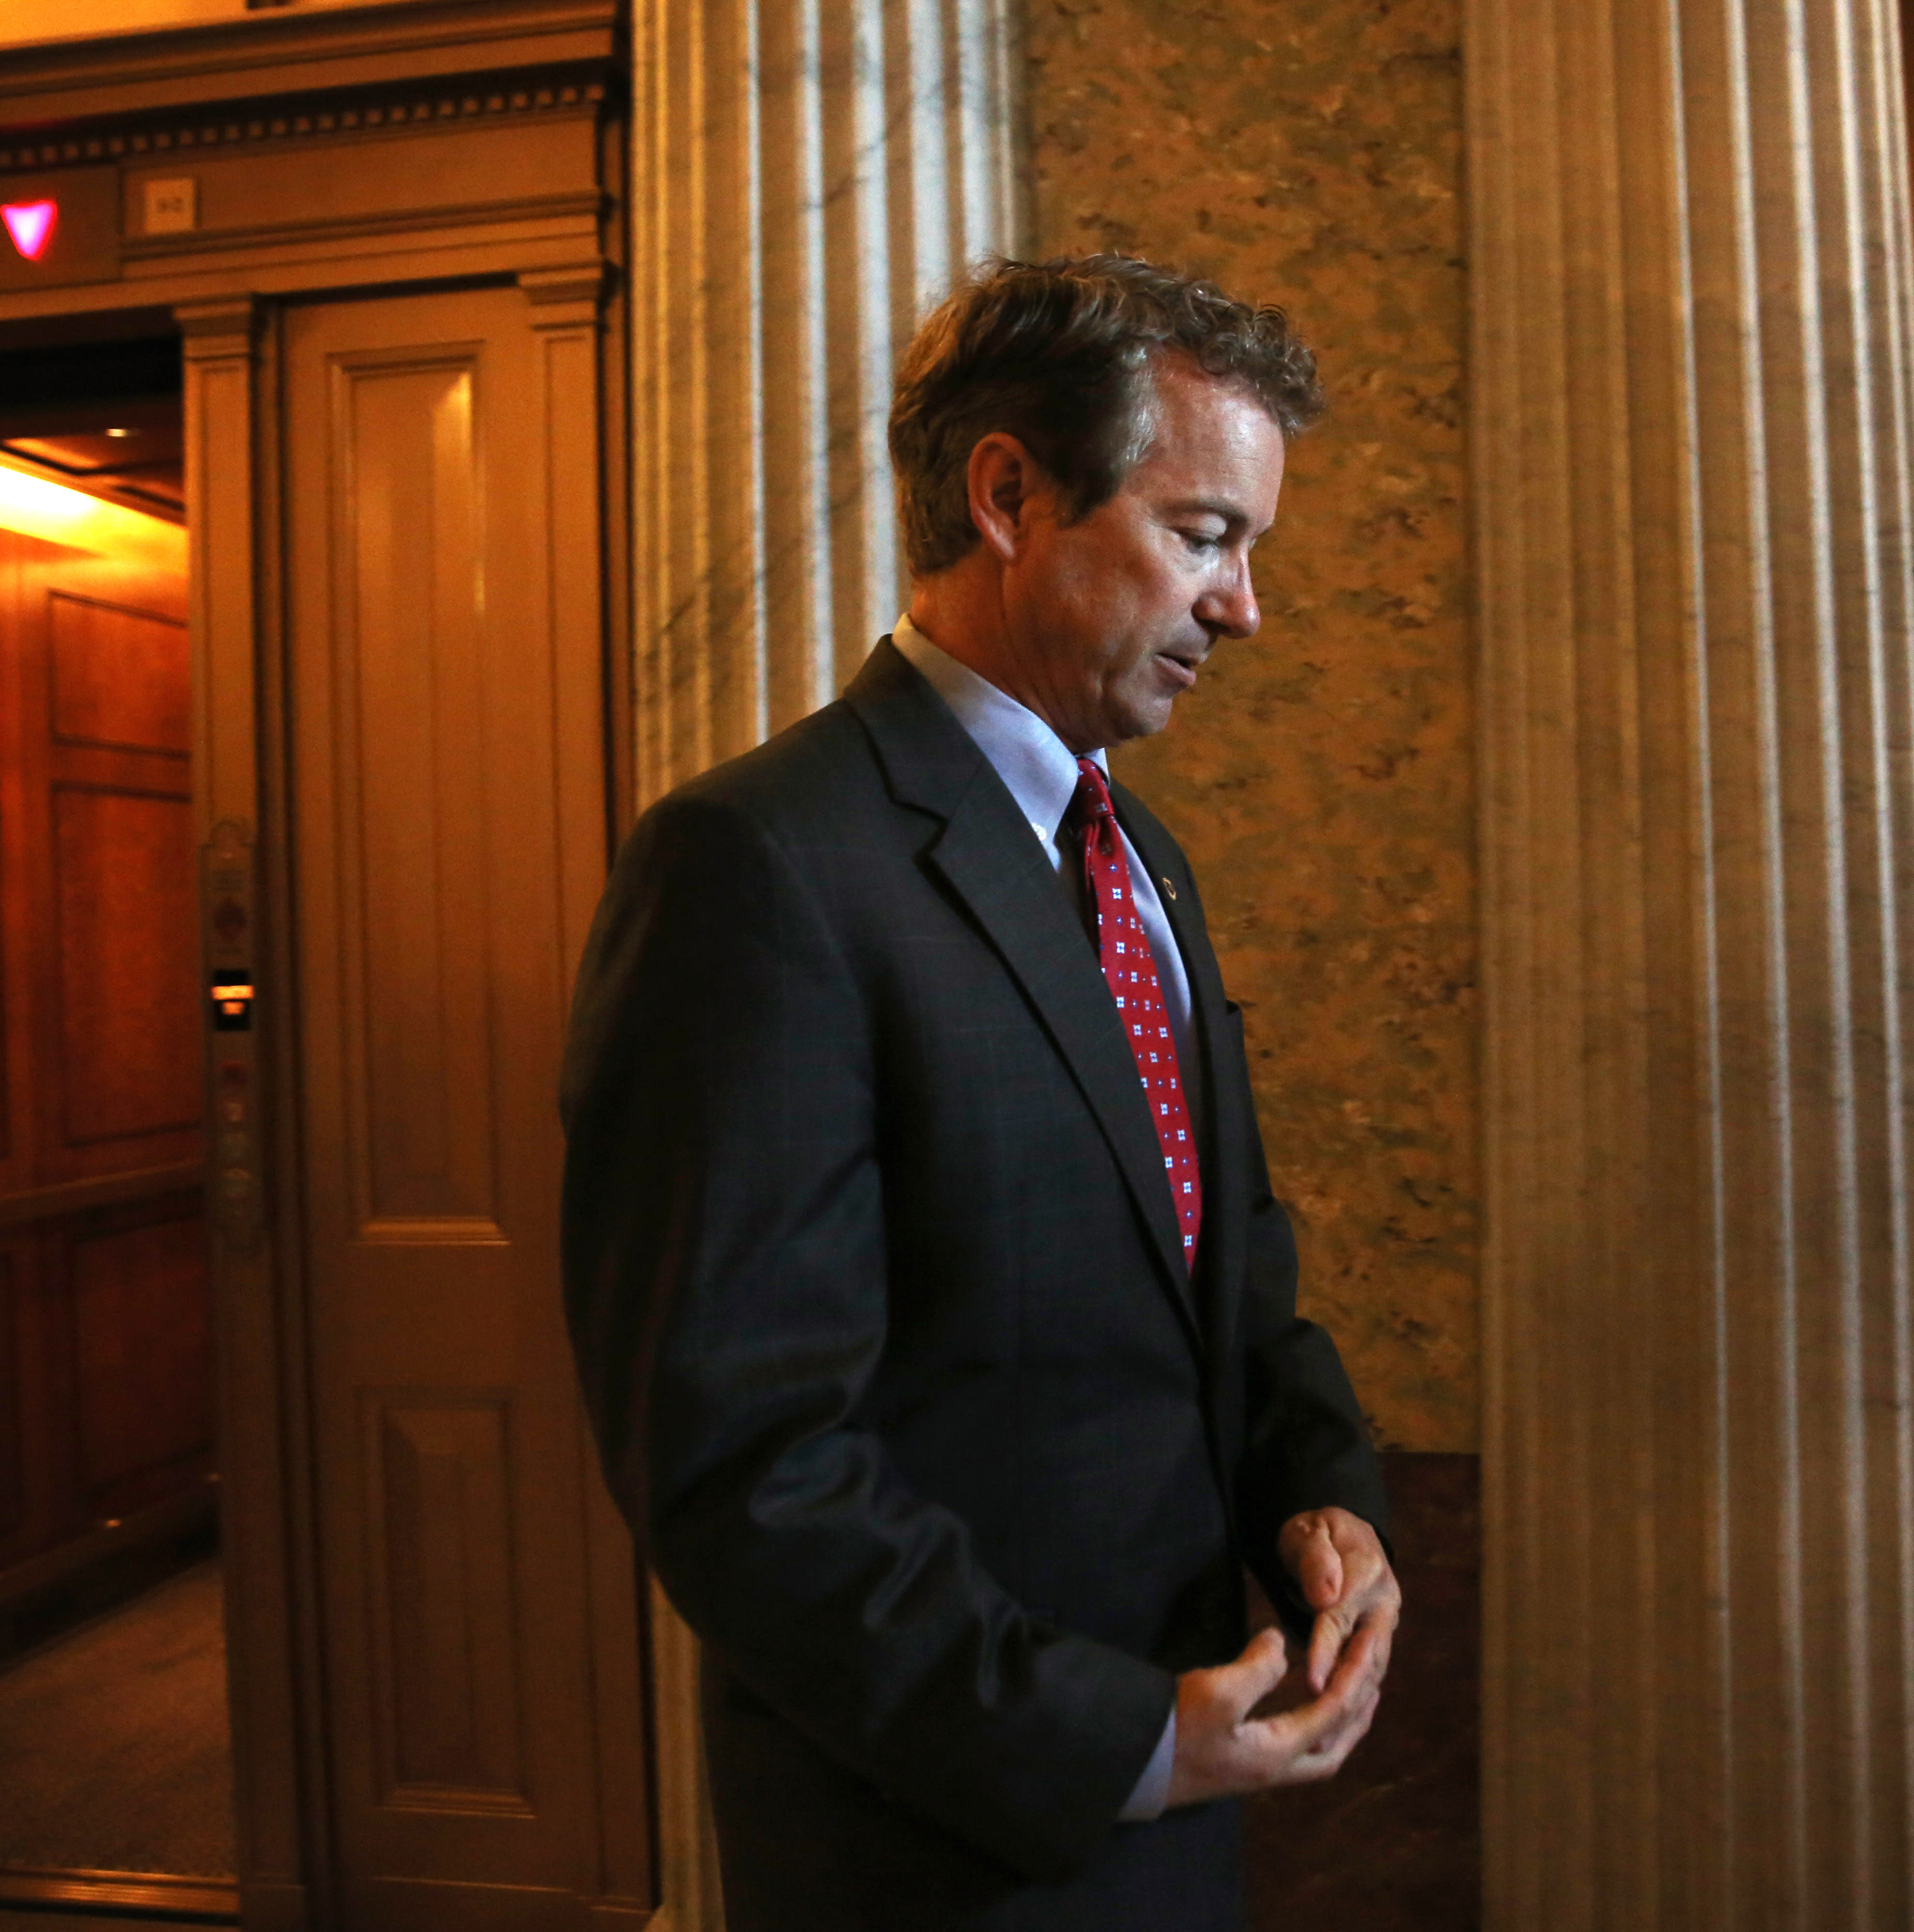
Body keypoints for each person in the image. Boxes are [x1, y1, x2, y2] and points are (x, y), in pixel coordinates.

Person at [559, 255, 1402, 1931]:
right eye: (1206, 536)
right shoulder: (756, 863)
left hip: (1185, 1789)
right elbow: (741, 1463)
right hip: (941, 1839)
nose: (1244, 609)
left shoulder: (1139, 857)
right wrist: (1118, 1742)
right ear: (1008, 493)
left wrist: (1325, 1491)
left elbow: (1224, 1271)